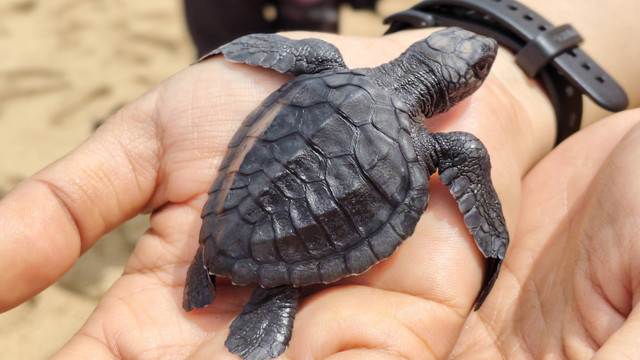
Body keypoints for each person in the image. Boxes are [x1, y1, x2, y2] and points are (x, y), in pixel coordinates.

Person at [1, 1, 639, 358]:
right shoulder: (448, 147)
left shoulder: (328, 67)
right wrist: (491, 250)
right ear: (457, 88)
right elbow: (475, 188)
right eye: (478, 64)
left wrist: (226, 52)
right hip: (305, 226)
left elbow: (267, 50)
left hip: (225, 219)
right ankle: (275, 293)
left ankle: (235, 271)